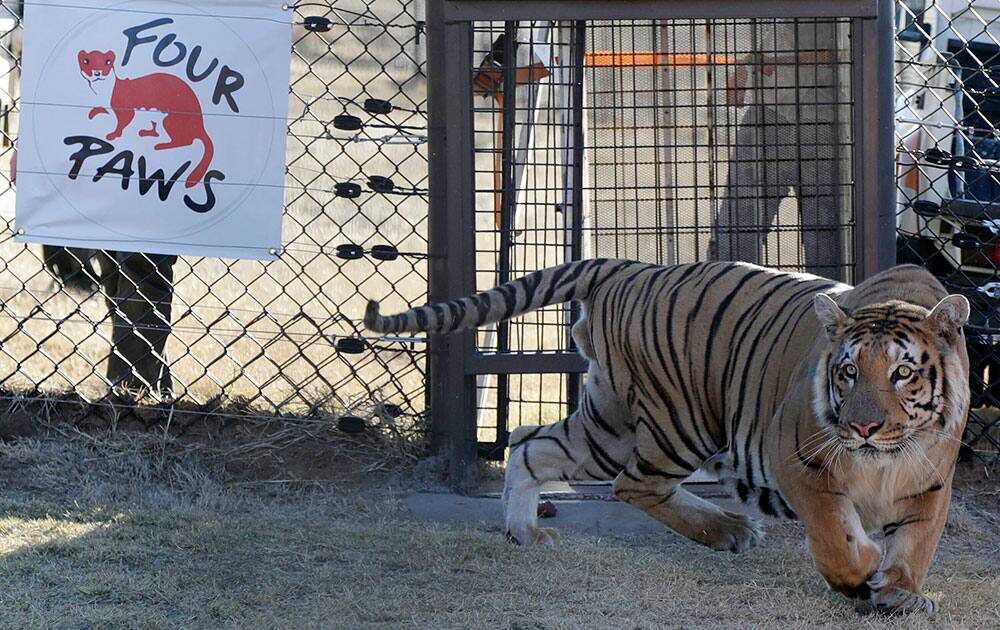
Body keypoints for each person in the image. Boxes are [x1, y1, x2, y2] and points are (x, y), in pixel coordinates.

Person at [9, 150, 176, 399]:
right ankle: (150, 389)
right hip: (104, 152)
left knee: (141, 263)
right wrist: (27, 142)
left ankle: (131, 397)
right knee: (114, 270)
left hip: (157, 156)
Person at [711, 20, 847, 281]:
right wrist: (752, 62)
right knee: (824, 230)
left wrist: (753, 64)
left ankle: (729, 289)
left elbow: (833, 53)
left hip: (797, 114)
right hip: (802, 112)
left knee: (744, 222)